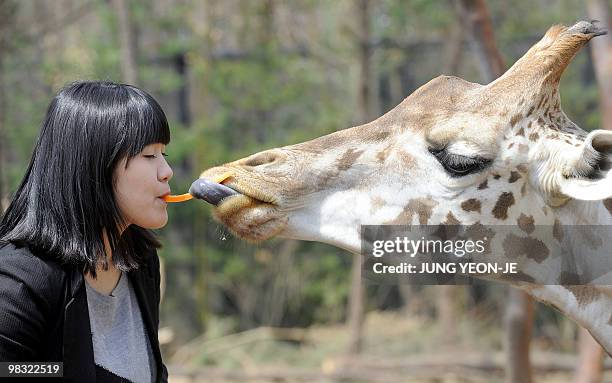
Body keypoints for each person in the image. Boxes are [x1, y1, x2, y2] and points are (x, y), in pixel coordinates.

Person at [0, 80, 172, 382]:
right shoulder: (18, 284)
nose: (166, 171)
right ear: (95, 165)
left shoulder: (141, 263)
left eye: (164, 155)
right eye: (149, 155)